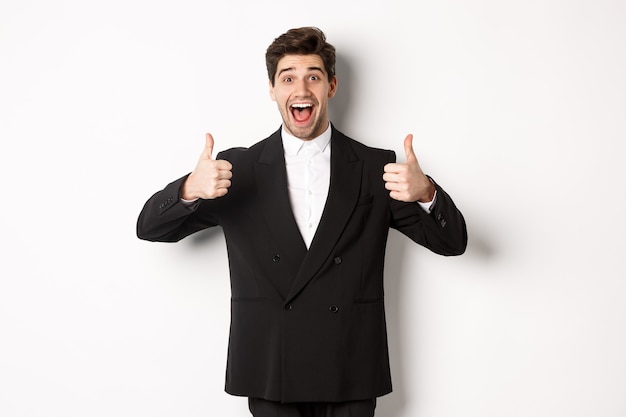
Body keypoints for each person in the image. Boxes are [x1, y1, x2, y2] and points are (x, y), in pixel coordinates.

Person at [137, 26, 467, 417]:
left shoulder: (375, 167)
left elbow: (453, 242)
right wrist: (190, 188)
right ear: (272, 89)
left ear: (331, 86)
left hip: (350, 364)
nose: (301, 88)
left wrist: (426, 192)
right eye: (288, 77)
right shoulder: (236, 169)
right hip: (271, 364)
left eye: (313, 76)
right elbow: (150, 228)